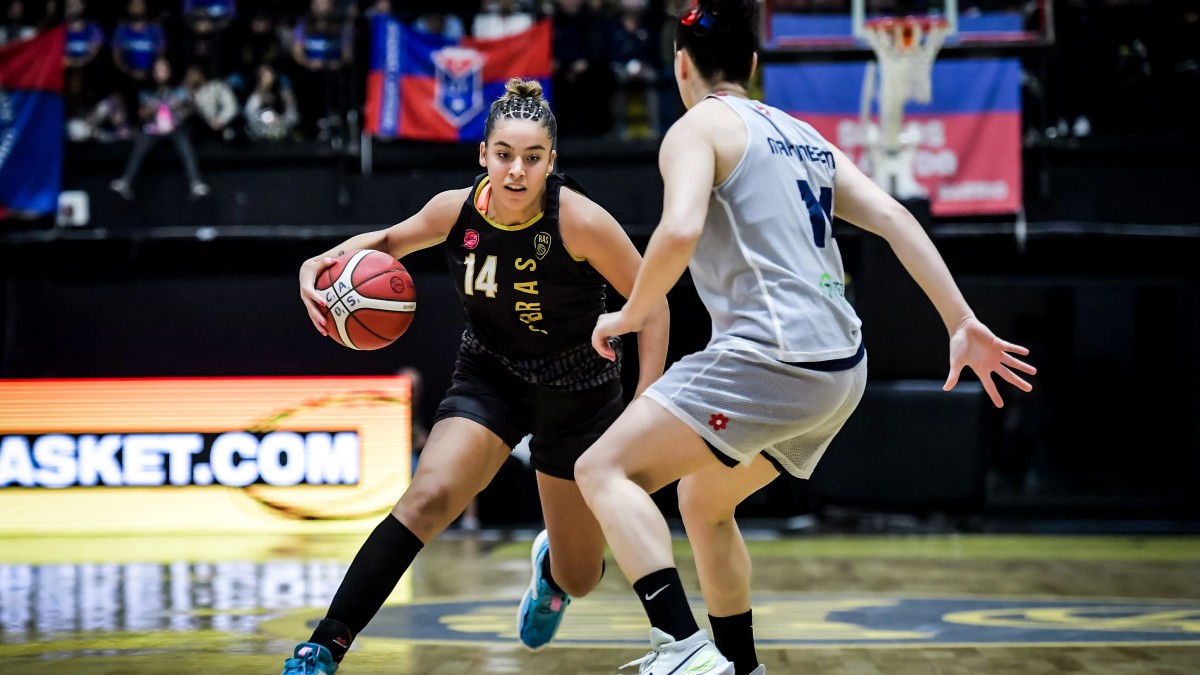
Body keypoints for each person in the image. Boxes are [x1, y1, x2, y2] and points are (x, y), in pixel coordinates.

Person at [573, 2, 1038, 674]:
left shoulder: (695, 128)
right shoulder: (803, 136)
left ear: (680, 65)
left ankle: (682, 648)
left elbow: (677, 231)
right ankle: (740, 664)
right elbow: (894, 217)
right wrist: (959, 318)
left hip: (772, 355)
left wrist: (629, 313)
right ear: (753, 65)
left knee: (601, 469)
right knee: (703, 499)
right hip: (842, 366)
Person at [282, 77, 670, 674]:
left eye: (533, 158)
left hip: (578, 396)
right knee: (427, 499)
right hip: (492, 377)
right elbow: (387, 241)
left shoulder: (581, 220)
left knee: (581, 576)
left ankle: (551, 575)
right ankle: (322, 647)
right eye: (505, 154)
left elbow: (654, 306)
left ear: (551, 162)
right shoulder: (455, 209)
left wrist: (644, 406)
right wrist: (323, 260)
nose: (517, 170)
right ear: (483, 154)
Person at [109, 56, 211, 200]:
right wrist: (150, 109)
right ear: (154, 73)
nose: (161, 73)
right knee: (139, 146)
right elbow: (141, 114)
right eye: (158, 70)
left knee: (186, 147)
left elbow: (190, 109)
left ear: (169, 71)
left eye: (164, 70)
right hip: (154, 129)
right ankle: (125, 182)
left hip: (174, 128)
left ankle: (196, 183)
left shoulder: (179, 90)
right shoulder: (147, 92)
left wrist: (183, 105)